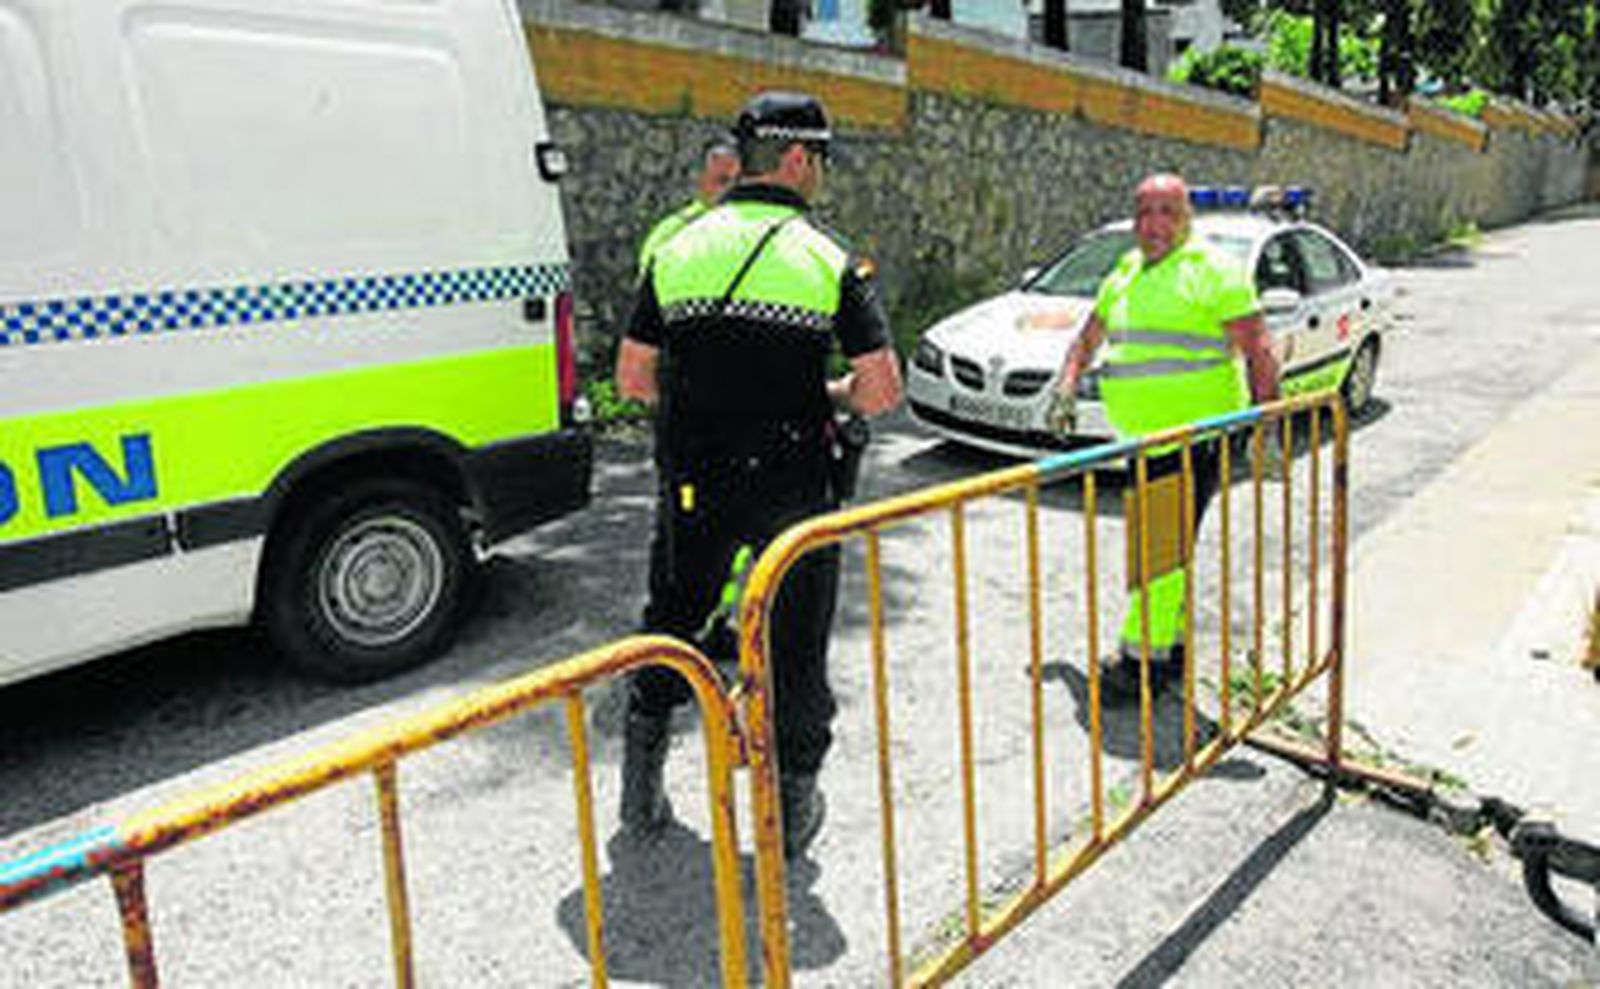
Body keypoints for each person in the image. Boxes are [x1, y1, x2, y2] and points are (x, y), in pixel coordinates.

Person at [614, 90, 903, 858]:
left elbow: (634, 377)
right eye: (824, 163)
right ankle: (791, 808)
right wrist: (826, 390)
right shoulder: (827, 257)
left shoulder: (677, 250)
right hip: (794, 486)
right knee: (795, 639)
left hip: (694, 480)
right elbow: (880, 390)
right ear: (800, 159)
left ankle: (639, 782)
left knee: (673, 616)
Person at [1039, 173, 1279, 703]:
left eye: (1167, 212)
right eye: (1144, 212)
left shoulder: (1213, 271)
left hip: (1195, 439)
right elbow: (1088, 337)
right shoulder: (1125, 272)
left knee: (1158, 553)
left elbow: (1260, 349)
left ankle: (1138, 666)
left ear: (1187, 217)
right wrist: (1066, 385)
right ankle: (1167, 656)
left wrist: (1266, 427)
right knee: (1163, 548)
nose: (1154, 225)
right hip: (1142, 442)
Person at [636, 134, 740, 274]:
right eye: (722, 181)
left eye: (738, 182)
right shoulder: (671, 233)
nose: (730, 190)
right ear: (700, 179)